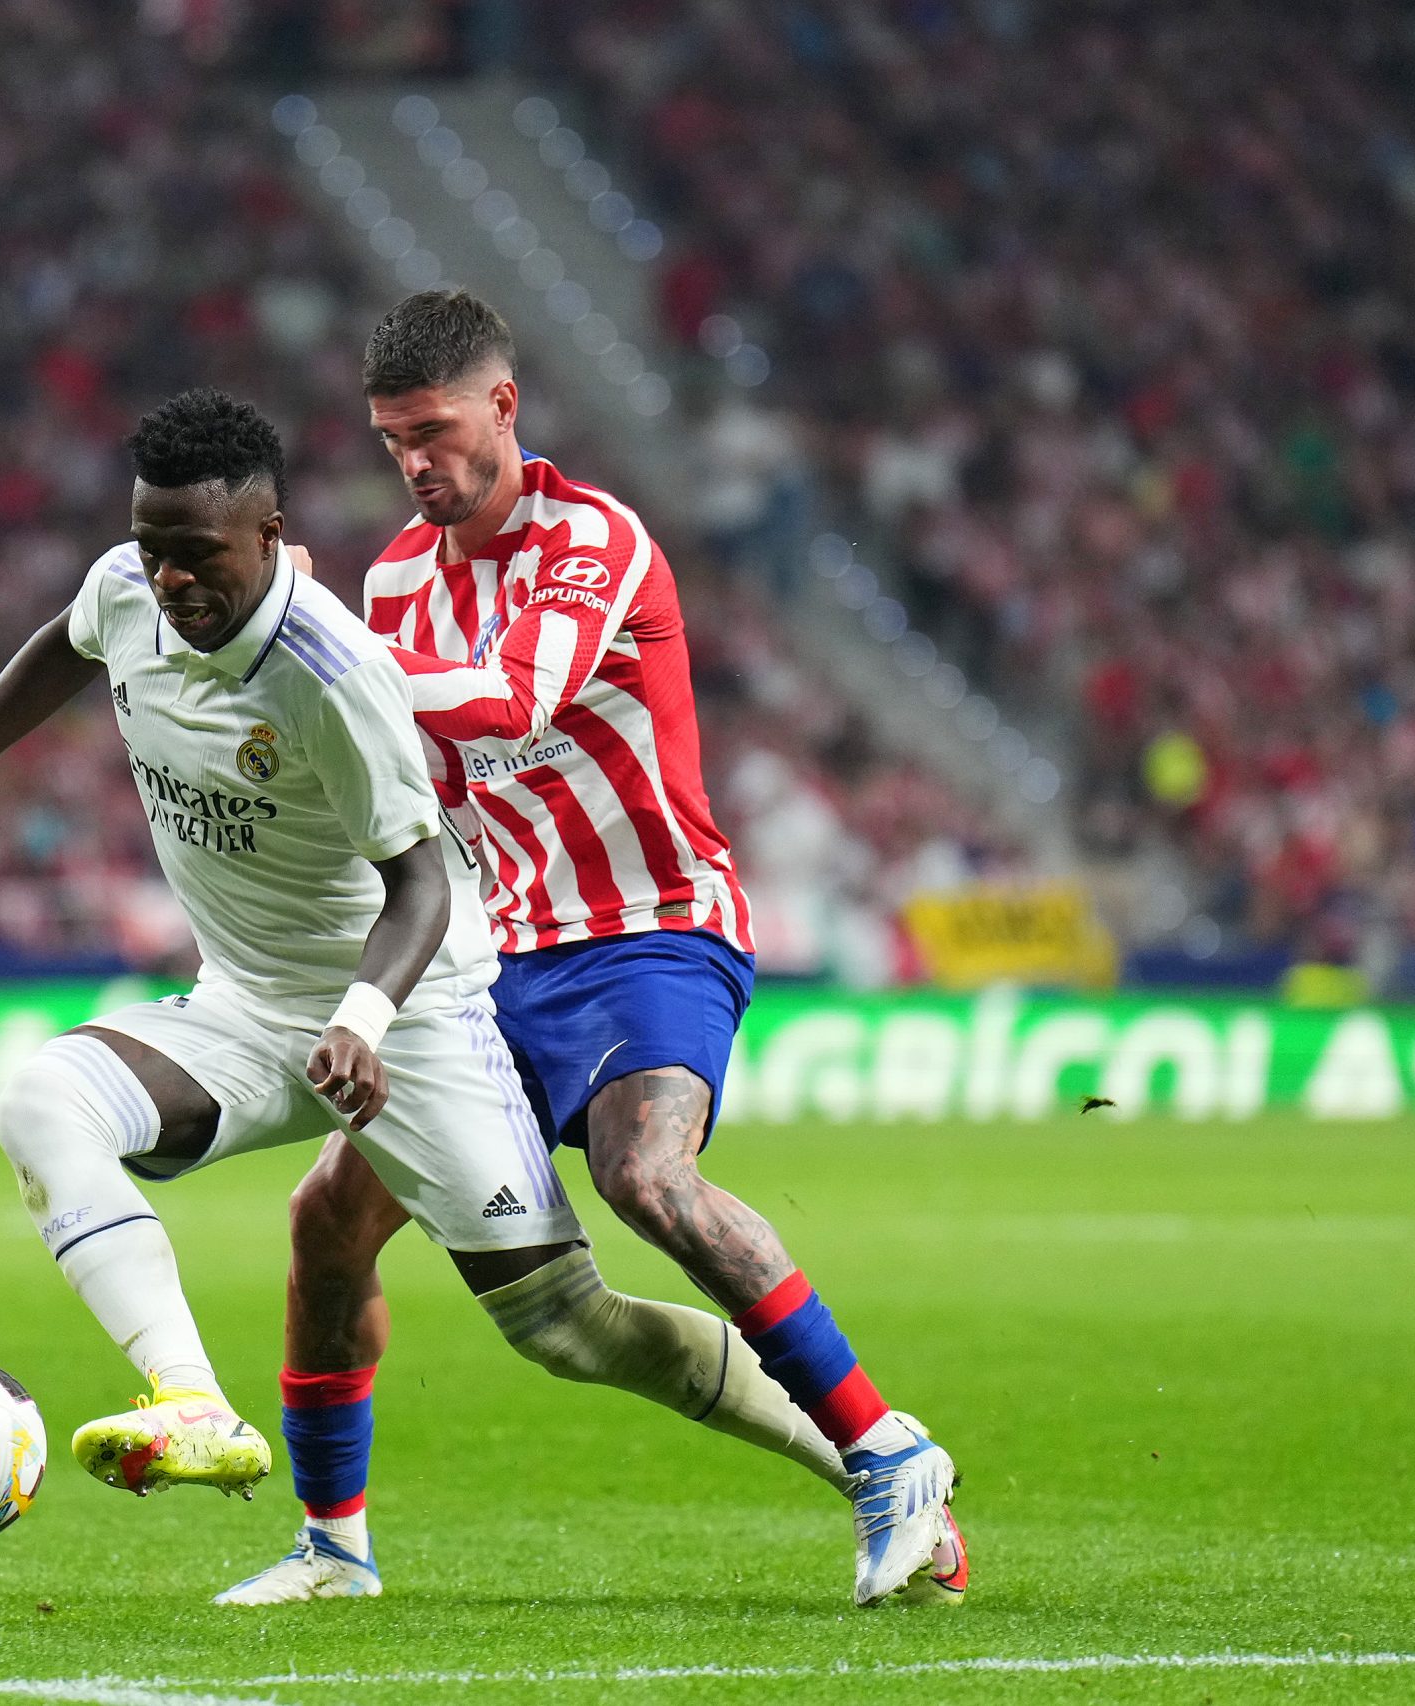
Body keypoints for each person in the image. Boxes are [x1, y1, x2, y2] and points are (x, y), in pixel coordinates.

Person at [0, 389, 834, 1545]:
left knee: (569, 1327)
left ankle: (854, 1445)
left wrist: (364, 1017)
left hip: (410, 1021)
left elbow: (420, 879)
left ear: (270, 536)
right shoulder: (125, 588)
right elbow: (65, 643)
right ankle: (194, 1404)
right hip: (248, 1010)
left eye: (196, 554)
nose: (169, 581)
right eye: (154, 549)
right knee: (42, 1100)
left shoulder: (330, 673)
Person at [220, 293, 966, 1609]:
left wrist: (320, 657)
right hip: (496, 957)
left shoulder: (597, 541)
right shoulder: (398, 577)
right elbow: (402, 780)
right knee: (326, 1218)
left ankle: (885, 1447)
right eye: (392, 440)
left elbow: (512, 698)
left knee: (645, 1175)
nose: (415, 463)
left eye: (434, 431)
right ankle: (334, 1545)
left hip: (654, 934)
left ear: (504, 406)